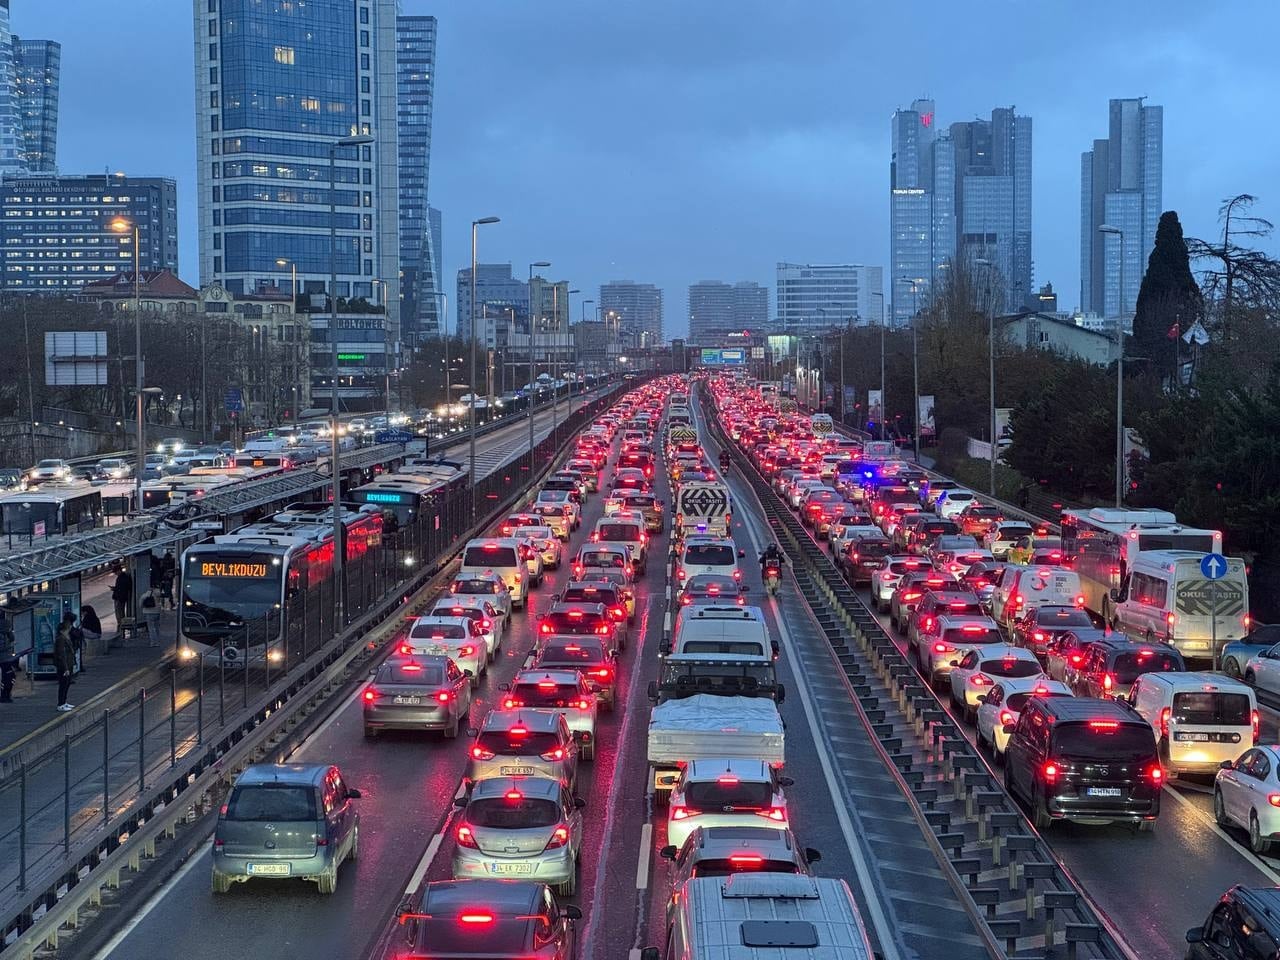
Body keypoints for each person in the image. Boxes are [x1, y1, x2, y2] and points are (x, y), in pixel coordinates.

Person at [54, 613, 75, 711]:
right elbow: (61, 654)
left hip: (69, 664)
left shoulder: (65, 638)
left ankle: (64, 702)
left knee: (67, 684)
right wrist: (66, 668)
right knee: (63, 684)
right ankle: (61, 703)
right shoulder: (61, 639)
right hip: (64, 665)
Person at [0, 609, 17, 704]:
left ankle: (4, 695)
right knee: (10, 675)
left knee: (6, 675)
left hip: (3, 656)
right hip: (5, 656)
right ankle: (5, 695)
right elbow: (12, 638)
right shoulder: (6, 627)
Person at [111, 565, 133, 637]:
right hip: (122, 598)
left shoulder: (121, 578)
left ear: (119, 570)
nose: (115, 574)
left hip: (119, 598)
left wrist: (114, 589)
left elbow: (121, 589)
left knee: (119, 614)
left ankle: (120, 629)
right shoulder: (125, 577)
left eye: (115, 572)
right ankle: (121, 629)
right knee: (121, 614)